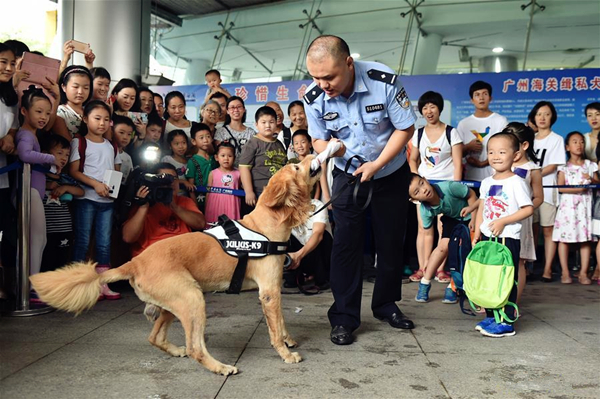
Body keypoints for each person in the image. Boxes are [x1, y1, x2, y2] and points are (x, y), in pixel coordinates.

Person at [303, 35, 417, 345]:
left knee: (390, 241)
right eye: (316, 77)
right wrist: (330, 149)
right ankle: (343, 317)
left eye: (329, 76)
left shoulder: (383, 81)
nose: (323, 84)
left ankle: (386, 305)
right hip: (347, 175)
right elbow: (317, 139)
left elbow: (405, 127)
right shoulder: (314, 97)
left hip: (390, 172)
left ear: (349, 63)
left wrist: (377, 163)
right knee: (345, 245)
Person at [472, 132, 534, 337]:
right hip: (488, 238)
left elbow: (528, 209)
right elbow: (482, 206)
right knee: (489, 277)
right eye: (491, 152)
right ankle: (492, 316)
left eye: (501, 151)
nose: (496, 156)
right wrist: (477, 231)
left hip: (508, 238)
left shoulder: (517, 181)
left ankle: (506, 321)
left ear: (515, 155)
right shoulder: (487, 182)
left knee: (506, 279)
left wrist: (503, 221)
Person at [68, 100, 122, 300]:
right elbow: (74, 171)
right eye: (97, 118)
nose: (102, 123)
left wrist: (112, 189)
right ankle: (77, 285)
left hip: (107, 203)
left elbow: (116, 172)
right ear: (85, 119)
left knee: (104, 244)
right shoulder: (79, 142)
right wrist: (96, 184)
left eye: (106, 119)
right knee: (82, 242)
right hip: (86, 200)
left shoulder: (111, 146)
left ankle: (102, 284)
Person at [408, 90, 463, 284]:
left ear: (440, 108)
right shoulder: (419, 133)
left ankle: (440, 269)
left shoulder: (451, 132)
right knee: (424, 228)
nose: (429, 111)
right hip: (423, 189)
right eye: (424, 107)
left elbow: (457, 164)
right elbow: (413, 160)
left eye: (432, 106)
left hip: (445, 189)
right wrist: (416, 182)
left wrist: (455, 190)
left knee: (443, 229)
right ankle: (423, 268)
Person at [15, 87, 63, 303]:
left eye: (46, 112)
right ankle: (30, 287)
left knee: (35, 239)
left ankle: (28, 285)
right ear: (24, 111)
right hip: (29, 192)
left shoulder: (32, 134)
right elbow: (25, 154)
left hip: (33, 192)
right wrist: (50, 159)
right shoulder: (25, 134)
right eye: (38, 112)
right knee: (35, 239)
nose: (43, 117)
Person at [409, 174, 477, 303]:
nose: (423, 190)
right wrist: (426, 262)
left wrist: (473, 218)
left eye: (422, 183)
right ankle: (424, 283)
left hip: (471, 215)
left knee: (464, 251)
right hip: (452, 219)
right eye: (417, 192)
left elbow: (472, 194)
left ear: (425, 179)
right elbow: (428, 234)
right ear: (414, 200)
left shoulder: (449, 187)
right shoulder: (425, 210)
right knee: (443, 246)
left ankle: (453, 287)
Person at [122, 163, 205, 257]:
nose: (170, 183)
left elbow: (201, 224)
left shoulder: (185, 202)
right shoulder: (146, 202)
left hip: (183, 254)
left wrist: (175, 207)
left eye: (174, 178)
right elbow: (128, 238)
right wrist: (143, 207)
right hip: (154, 256)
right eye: (164, 179)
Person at [502, 122, 543, 303]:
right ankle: (497, 299)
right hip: (500, 218)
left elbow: (538, 198)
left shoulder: (532, 169)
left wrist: (524, 209)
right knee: (500, 258)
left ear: (524, 145)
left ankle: (514, 303)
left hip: (521, 221)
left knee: (518, 261)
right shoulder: (503, 165)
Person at [552, 131, 598, 285]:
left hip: (584, 209)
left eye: (581, 142)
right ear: (567, 147)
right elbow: (561, 188)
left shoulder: (590, 165)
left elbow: (597, 183)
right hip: (568, 209)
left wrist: (590, 179)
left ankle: (583, 273)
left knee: (585, 240)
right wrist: (579, 189)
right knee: (564, 240)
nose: (579, 145)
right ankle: (565, 273)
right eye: (574, 142)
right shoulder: (563, 167)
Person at [530, 101, 566, 282]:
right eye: (539, 114)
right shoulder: (530, 138)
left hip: (546, 189)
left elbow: (553, 166)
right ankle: (528, 267)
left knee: (547, 230)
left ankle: (547, 269)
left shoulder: (557, 139)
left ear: (553, 117)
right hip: (528, 190)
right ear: (534, 117)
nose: (542, 118)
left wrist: (534, 176)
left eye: (546, 114)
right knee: (532, 230)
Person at [40, 134, 84, 273]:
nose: (64, 158)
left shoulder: (65, 178)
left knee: (61, 263)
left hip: (64, 228)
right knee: (45, 261)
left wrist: (65, 188)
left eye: (67, 154)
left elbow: (81, 191)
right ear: (44, 154)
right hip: (44, 229)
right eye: (59, 153)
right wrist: (47, 185)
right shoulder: (39, 176)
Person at [456, 80, 508, 182]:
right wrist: (468, 147)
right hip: (469, 178)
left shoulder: (501, 121)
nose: (481, 98)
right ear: (472, 100)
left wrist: (482, 163)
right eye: (477, 95)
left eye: (485, 94)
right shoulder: (464, 124)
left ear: (490, 98)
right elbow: (455, 153)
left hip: (495, 177)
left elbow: (506, 150)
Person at [238, 106, 287, 208]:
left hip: (279, 194)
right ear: (256, 124)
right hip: (259, 194)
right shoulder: (252, 143)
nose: (268, 125)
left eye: (271, 122)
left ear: (276, 123)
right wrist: (249, 192)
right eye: (263, 122)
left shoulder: (279, 144)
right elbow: (244, 168)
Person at [284, 198, 333, 293]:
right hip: (298, 250)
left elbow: (318, 235)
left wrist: (299, 255)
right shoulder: (283, 207)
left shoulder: (317, 205)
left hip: (318, 252)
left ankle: (322, 277)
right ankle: (296, 275)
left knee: (322, 236)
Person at [0, 43, 19, 244]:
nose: (8, 68)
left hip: (3, 173)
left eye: (12, 63)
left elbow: (14, 125)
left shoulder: (10, 97)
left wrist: (10, 137)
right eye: (3, 62)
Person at [53, 65, 94, 140]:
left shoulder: (91, 111)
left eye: (86, 88)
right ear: (64, 87)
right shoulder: (60, 112)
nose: (80, 92)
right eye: (75, 87)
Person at [205, 142, 241, 224]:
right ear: (216, 157)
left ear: (234, 158)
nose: (226, 159)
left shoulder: (238, 173)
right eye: (223, 155)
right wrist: (206, 207)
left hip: (232, 205)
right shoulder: (212, 173)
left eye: (230, 156)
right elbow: (208, 192)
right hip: (214, 206)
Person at [214, 96, 255, 167]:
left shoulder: (251, 133)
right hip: (227, 173)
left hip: (247, 171)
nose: (236, 110)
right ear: (227, 111)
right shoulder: (221, 132)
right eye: (232, 107)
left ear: (244, 109)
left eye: (239, 107)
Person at [186, 122, 216, 211]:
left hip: (215, 197)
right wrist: (195, 207)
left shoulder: (215, 158)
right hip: (200, 200)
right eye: (201, 138)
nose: (205, 140)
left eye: (208, 136)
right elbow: (190, 187)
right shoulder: (192, 161)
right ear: (193, 141)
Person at [290, 129, 328, 200]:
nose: (300, 146)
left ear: (310, 144)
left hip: (312, 200)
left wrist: (315, 200)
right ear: (293, 147)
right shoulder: (291, 163)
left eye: (303, 142)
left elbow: (317, 184)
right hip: (297, 201)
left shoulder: (315, 162)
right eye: (296, 143)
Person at [161, 129, 195, 196]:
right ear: (170, 146)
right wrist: (183, 182)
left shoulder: (191, 161)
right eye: (176, 144)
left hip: (188, 197)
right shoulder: (167, 160)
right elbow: (164, 179)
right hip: (173, 197)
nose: (181, 146)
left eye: (184, 143)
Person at [111, 115, 135, 183]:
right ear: (112, 132)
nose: (125, 137)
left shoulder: (128, 158)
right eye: (121, 133)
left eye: (129, 134)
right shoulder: (108, 153)